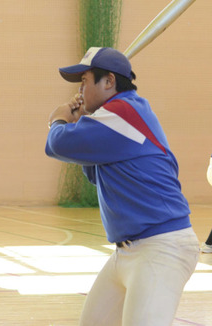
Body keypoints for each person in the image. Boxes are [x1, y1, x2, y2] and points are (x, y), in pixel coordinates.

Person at [45, 47, 199, 326]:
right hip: (128, 250)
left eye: (85, 80)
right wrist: (82, 122)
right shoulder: (117, 116)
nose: (80, 89)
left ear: (109, 82)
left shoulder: (123, 111)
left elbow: (58, 144)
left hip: (161, 246)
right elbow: (94, 174)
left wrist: (58, 119)